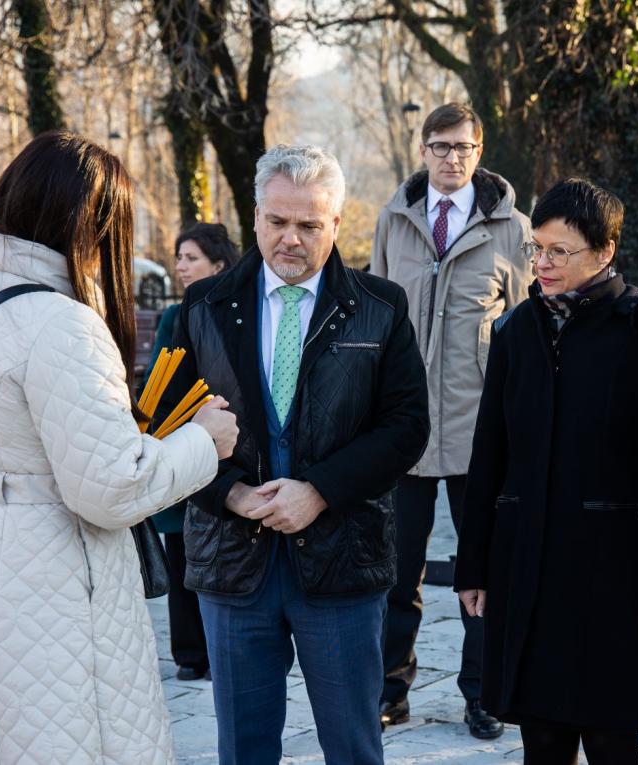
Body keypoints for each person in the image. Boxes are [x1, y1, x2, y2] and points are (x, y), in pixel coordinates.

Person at [0, 131, 238, 764]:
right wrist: (203, 441)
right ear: (91, 224)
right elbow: (110, 489)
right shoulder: (62, 324)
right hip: (53, 582)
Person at [157, 144, 429, 765]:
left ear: (336, 223)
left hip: (342, 561)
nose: (291, 239)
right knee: (244, 748)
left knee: (353, 747)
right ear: (255, 217)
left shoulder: (381, 308)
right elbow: (164, 422)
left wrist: (320, 489)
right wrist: (227, 492)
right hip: (232, 563)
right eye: (278, 221)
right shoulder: (202, 308)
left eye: (309, 224)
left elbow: (407, 426)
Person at [455, 179, 638, 764]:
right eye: (535, 248)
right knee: (539, 737)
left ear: (606, 250)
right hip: (526, 564)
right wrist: (475, 565)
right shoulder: (518, 330)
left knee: (611, 738)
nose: (541, 263)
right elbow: (489, 453)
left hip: (611, 574)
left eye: (559, 251)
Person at [369, 101, 532, 738]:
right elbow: (375, 318)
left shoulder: (512, 229)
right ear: (423, 150)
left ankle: (483, 693)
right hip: (404, 429)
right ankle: (389, 688)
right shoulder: (393, 219)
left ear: (479, 151)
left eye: (463, 147)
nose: (451, 158)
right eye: (440, 146)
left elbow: (521, 328)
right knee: (394, 570)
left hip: (479, 431)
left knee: (482, 573)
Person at [148, 222, 240, 682]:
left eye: (191, 258)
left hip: (230, 441)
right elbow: (160, 386)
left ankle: (214, 646)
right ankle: (189, 652)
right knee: (182, 548)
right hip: (185, 435)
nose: (181, 266)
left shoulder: (234, 308)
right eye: (179, 257)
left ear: (219, 264)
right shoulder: (174, 315)